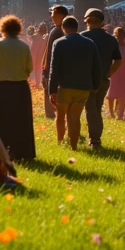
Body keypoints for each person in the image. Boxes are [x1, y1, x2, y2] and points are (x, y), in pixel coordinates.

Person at [0, 15, 36, 161]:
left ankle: (0, 149)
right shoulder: (24, 46)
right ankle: (21, 152)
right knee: (20, 120)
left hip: (0, 87)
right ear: (18, 29)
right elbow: (29, 68)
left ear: (2, 28)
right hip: (20, 88)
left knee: (0, 119)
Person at [47, 16, 101, 150]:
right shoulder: (90, 43)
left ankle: (60, 142)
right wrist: (95, 85)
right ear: (77, 27)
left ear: (63, 28)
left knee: (60, 116)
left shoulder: (59, 43)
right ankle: (74, 146)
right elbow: (96, 66)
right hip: (83, 86)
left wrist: (52, 89)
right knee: (75, 117)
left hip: (64, 86)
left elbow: (55, 68)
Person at [79, 8, 122, 148]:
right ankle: (96, 137)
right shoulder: (111, 39)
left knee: (90, 109)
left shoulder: (82, 37)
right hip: (103, 79)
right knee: (97, 107)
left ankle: (95, 139)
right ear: (102, 22)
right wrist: (108, 73)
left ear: (87, 20)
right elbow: (118, 61)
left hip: (87, 79)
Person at [106, 27, 125, 120]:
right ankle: (119, 115)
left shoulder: (112, 49)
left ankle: (112, 113)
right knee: (121, 96)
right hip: (124, 74)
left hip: (114, 72)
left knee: (111, 94)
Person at [43, 5, 68, 118]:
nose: (51, 17)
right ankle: (50, 112)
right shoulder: (55, 30)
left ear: (60, 15)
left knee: (52, 90)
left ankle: (53, 112)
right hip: (49, 65)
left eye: (53, 14)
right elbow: (48, 50)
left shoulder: (61, 31)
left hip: (56, 67)